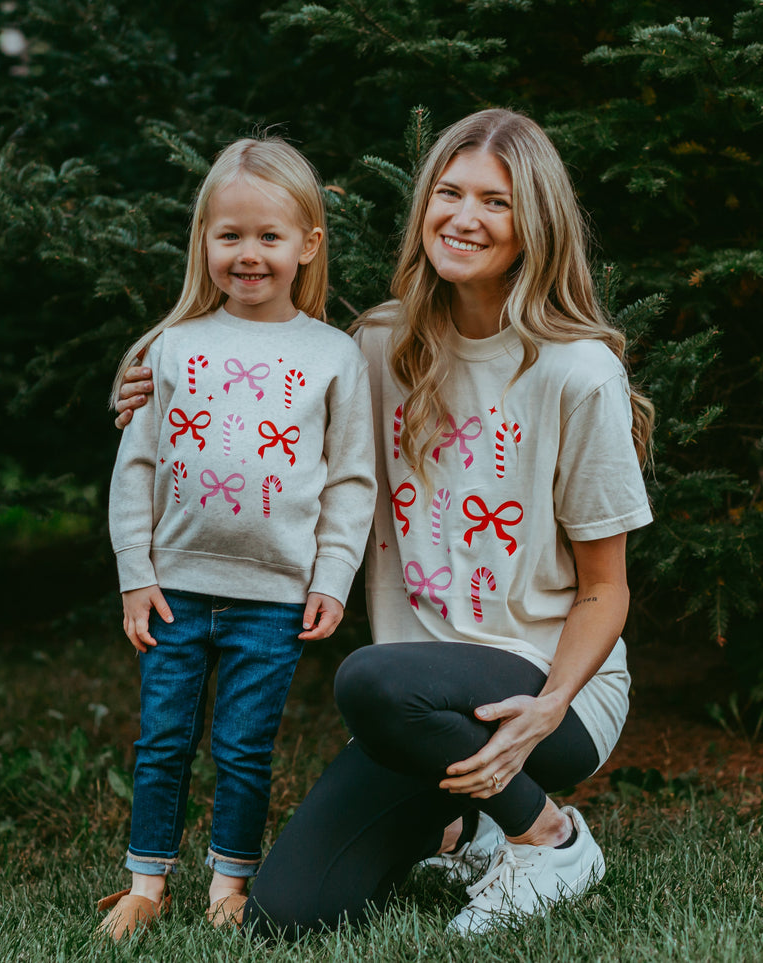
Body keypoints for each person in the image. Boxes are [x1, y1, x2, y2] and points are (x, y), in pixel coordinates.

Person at [114, 108, 653, 936]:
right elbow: (253, 400)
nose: (464, 217)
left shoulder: (578, 373)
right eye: (448, 193)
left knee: (370, 677)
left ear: (534, 224)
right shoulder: (372, 347)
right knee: (287, 914)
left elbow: (605, 591)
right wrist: (148, 388)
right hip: (415, 712)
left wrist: (546, 708)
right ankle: (466, 826)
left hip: (547, 693)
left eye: (496, 202)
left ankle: (547, 837)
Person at [101, 135, 376, 940]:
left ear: (306, 246)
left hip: (274, 598)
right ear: (204, 242)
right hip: (175, 590)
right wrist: (134, 570)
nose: (248, 254)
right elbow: (136, 465)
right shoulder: (171, 346)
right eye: (229, 236)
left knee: (244, 748)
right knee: (162, 741)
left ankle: (230, 884)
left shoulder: (333, 355)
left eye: (269, 237)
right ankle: (145, 882)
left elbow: (351, 478)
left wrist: (331, 577)